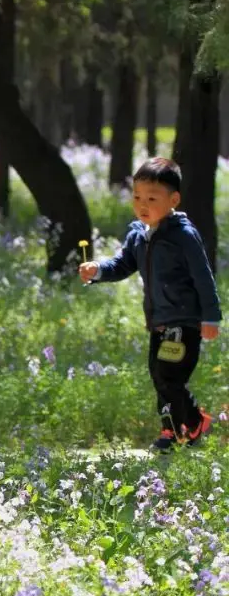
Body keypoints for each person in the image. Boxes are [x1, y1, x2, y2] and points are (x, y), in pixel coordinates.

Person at [79, 157, 220, 450]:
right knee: (159, 376)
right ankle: (173, 430)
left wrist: (210, 317)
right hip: (158, 322)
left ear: (174, 199)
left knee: (170, 375)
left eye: (152, 198)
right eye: (137, 197)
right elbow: (122, 265)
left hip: (185, 321)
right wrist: (98, 270)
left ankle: (191, 423)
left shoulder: (183, 235)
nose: (143, 204)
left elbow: (203, 276)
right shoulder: (137, 235)